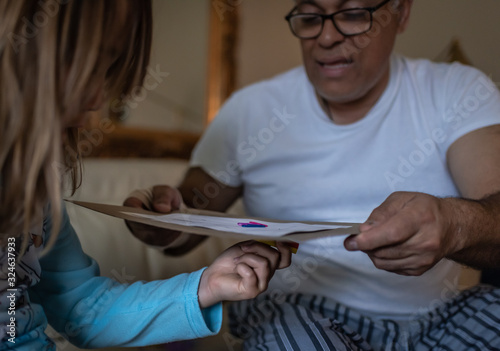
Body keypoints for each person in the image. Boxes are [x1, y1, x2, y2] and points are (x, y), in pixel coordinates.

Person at [125, 0, 500, 349]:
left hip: (436, 321)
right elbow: (190, 207)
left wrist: (454, 224)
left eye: (353, 14)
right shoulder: (250, 111)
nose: (326, 36)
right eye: (309, 16)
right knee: (289, 332)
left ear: (400, 13)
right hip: (301, 315)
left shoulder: (458, 92)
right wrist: (162, 218)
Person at [0, 1, 292, 350]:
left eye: (108, 71)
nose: (97, 99)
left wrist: (207, 286)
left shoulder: (38, 196)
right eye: (92, 66)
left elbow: (82, 308)